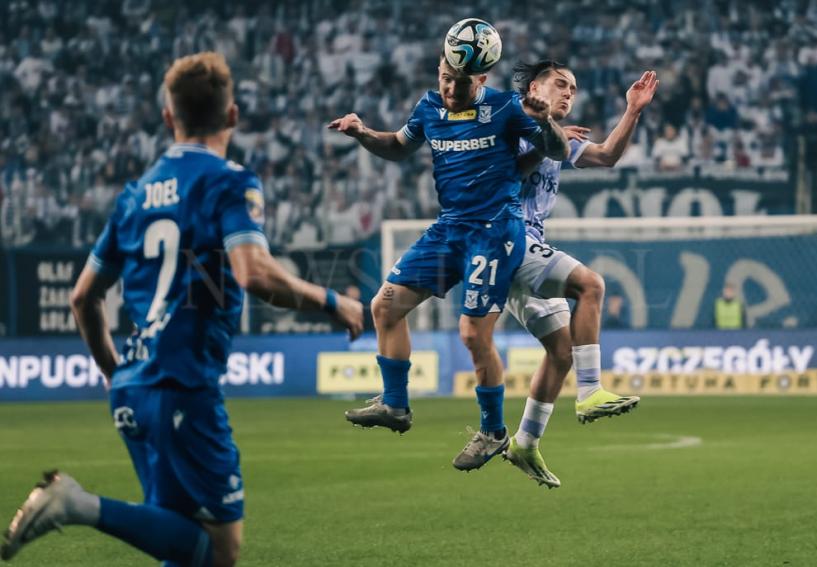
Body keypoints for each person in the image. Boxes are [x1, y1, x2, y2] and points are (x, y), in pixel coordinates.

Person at [1, 52, 363, 566]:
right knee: (219, 548)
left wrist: (115, 372)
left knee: (178, 537)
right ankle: (77, 505)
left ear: (169, 117)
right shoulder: (228, 181)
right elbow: (253, 273)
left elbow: (82, 297)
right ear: (233, 115)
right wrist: (333, 301)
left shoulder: (134, 196)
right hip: (184, 384)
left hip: (134, 383)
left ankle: (81, 504)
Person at [329, 53, 569, 471]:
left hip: (495, 230)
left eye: (459, 83)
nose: (449, 90)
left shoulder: (505, 107)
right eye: (444, 79)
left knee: (473, 334)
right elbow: (398, 147)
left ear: (481, 79)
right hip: (450, 228)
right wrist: (363, 132)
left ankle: (494, 432)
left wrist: (547, 122)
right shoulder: (429, 107)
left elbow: (558, 150)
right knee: (384, 306)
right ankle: (395, 404)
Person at [502, 61, 657, 488]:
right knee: (591, 284)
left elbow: (606, 156)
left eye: (572, 88)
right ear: (535, 87)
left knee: (561, 351)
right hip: (505, 238)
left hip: (521, 251)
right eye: (559, 84)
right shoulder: (508, 121)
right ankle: (590, 392)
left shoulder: (552, 131)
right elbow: (502, 172)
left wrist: (634, 110)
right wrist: (549, 141)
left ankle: (525, 442)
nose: (568, 93)